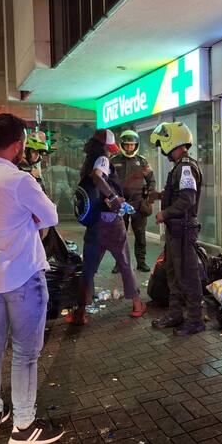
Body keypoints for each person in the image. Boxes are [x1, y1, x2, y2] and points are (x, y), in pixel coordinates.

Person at [0, 113, 64, 444]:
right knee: (25, 352)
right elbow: (50, 216)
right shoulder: (19, 180)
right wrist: (29, 221)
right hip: (23, 277)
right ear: (18, 145)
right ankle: (23, 426)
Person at [69, 128, 147, 325]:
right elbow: (98, 177)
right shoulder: (102, 160)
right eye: (109, 149)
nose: (111, 152)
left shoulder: (87, 163)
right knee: (125, 263)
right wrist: (113, 197)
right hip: (111, 223)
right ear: (105, 147)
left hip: (94, 223)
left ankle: (81, 312)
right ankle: (137, 305)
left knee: (88, 268)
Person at [149, 122, 204, 336]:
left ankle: (195, 320)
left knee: (187, 276)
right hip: (176, 231)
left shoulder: (186, 167)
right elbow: (179, 194)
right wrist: (160, 196)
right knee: (173, 274)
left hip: (184, 230)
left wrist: (165, 214)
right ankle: (175, 314)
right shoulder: (179, 167)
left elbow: (187, 199)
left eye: (163, 144)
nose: (163, 150)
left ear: (173, 141)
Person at [110, 130, 156, 273]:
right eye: (127, 145)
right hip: (120, 204)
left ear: (136, 145)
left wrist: (149, 197)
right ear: (122, 144)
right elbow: (107, 181)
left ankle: (141, 262)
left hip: (138, 204)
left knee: (140, 235)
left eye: (132, 145)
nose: (129, 147)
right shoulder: (114, 160)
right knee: (119, 235)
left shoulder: (142, 161)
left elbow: (151, 181)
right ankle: (119, 263)